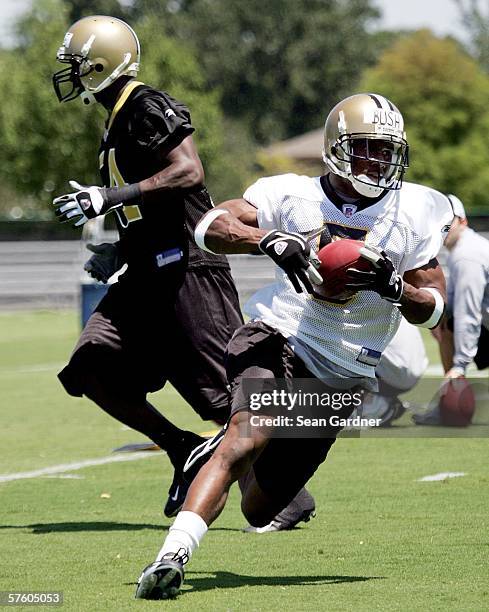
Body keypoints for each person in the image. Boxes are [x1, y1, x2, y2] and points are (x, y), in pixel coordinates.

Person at [135, 92, 453, 599]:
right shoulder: (291, 193)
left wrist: (398, 288)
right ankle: (171, 558)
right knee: (247, 437)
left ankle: (221, 457)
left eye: (386, 149)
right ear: (337, 148)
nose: (379, 160)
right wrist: (265, 240)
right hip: (282, 333)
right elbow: (209, 225)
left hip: (344, 370)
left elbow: (435, 306)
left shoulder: (415, 208)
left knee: (259, 508)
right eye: (367, 147)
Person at [51, 15, 243, 517]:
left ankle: (287, 494)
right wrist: (122, 247)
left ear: (101, 63)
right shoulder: (116, 115)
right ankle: (182, 449)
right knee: (90, 364)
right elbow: (149, 206)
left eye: (77, 64)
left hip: (188, 268)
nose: (71, 74)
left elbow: (189, 171)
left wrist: (106, 196)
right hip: (147, 272)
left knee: (226, 403)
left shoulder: (144, 104)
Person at [414, 194, 489, 425]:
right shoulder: (465, 248)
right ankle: (450, 402)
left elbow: (469, 313)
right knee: (443, 321)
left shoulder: (467, 255)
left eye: (448, 221)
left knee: (448, 323)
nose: (441, 227)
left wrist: (459, 365)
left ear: (463, 221)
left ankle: (451, 397)